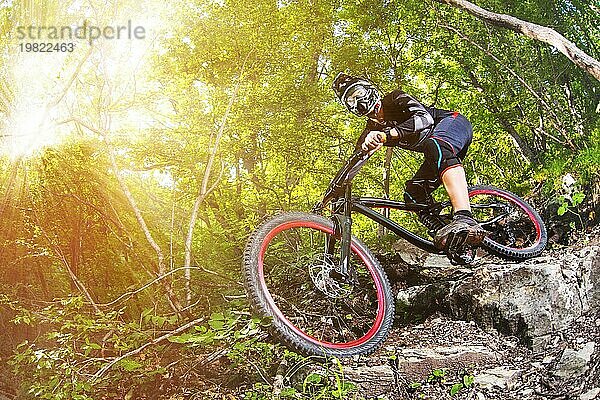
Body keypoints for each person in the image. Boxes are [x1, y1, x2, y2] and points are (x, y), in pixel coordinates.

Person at [331, 72, 486, 253]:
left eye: (357, 94)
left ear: (368, 89)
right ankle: (445, 233)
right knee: (413, 193)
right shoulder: (370, 130)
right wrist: (331, 192)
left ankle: (464, 217)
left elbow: (424, 119)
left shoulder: (395, 99)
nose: (356, 102)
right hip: (435, 153)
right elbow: (353, 162)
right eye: (350, 101)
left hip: (453, 124)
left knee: (434, 145)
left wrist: (386, 136)